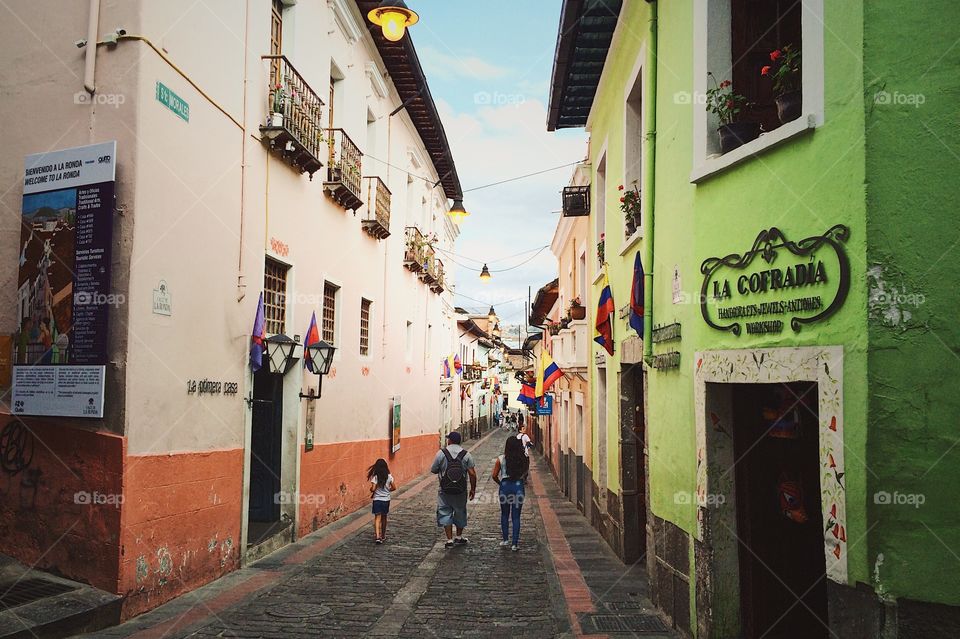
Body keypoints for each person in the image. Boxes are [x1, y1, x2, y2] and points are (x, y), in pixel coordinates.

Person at [430, 431, 477, 548]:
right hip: (461, 490)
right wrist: (473, 489)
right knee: (460, 510)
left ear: (449, 440)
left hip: (444, 490)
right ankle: (459, 536)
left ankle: (449, 539)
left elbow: (434, 469)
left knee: (445, 511)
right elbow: (472, 474)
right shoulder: (466, 455)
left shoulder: (441, 453)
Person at [491, 436, 529, 551]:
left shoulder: (501, 459)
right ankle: (515, 544)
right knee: (516, 516)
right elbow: (525, 473)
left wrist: (501, 483)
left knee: (504, 514)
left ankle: (505, 539)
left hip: (505, 487)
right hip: (518, 487)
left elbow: (494, 475)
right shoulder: (523, 459)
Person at [367, 458, 396, 544]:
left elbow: (373, 489)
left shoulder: (375, 477)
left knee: (377, 518)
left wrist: (371, 489)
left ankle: (377, 537)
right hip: (386, 500)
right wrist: (387, 491)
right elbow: (394, 487)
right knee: (384, 517)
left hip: (377, 500)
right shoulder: (389, 477)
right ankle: (383, 535)